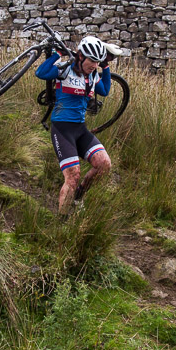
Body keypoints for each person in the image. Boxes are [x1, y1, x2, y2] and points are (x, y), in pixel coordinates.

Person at [35, 36, 118, 216]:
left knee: (104, 164)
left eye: (97, 62)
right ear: (81, 56)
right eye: (92, 61)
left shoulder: (93, 75)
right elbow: (41, 73)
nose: (94, 65)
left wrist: (105, 67)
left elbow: (104, 90)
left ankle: (78, 197)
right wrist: (57, 54)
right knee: (73, 176)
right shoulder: (65, 69)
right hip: (62, 129)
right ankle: (62, 222)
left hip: (80, 129)